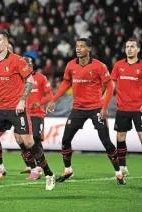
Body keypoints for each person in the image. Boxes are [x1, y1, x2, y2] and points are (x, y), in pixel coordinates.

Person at [0, 30, 56, 191]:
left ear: (6, 43)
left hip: (16, 109)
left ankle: (49, 174)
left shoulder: (17, 60)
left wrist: (22, 101)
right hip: (0, 108)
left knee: (29, 142)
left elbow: (29, 80)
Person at [46, 38, 126, 185]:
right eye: (77, 46)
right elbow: (65, 83)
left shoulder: (99, 66)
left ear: (89, 49)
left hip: (96, 108)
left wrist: (104, 107)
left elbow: (109, 87)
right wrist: (53, 100)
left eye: (82, 46)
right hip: (77, 108)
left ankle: (119, 173)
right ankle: (68, 170)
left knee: (106, 142)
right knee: (65, 140)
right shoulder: (71, 65)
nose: (78, 49)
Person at [0, 55, 54, 181]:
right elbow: (6, 90)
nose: (26, 66)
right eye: (25, 64)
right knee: (20, 140)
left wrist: (40, 102)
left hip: (37, 113)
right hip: (19, 112)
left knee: (35, 140)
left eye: (28, 64)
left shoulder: (40, 78)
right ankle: (33, 167)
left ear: (32, 65)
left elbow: (50, 94)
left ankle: (40, 166)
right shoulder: (17, 78)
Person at [111, 38, 142, 176]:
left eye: (132, 46)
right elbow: (111, 85)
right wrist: (103, 101)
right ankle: (122, 167)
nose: (129, 49)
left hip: (138, 108)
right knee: (120, 137)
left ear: (138, 49)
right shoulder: (118, 65)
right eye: (127, 46)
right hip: (122, 108)